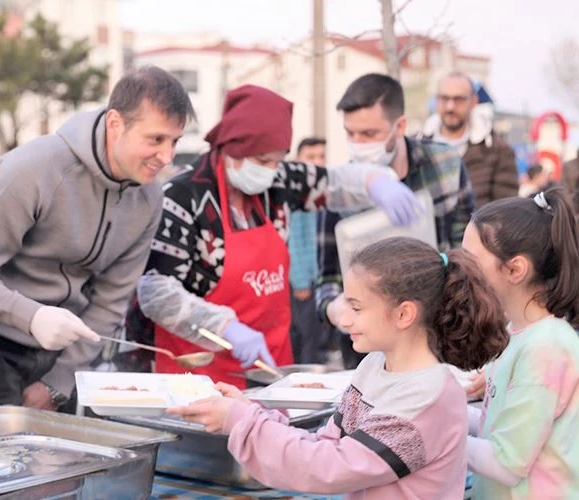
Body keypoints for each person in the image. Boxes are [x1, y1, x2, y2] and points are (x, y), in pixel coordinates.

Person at [168, 237, 508, 498]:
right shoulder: (375, 365)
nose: (344, 319)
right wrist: (250, 411)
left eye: (357, 308)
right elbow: (327, 442)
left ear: (404, 314)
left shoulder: (428, 398)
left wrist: (241, 421)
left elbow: (330, 466)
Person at [131, 84, 422, 388]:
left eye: (277, 160)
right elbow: (156, 294)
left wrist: (374, 181)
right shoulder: (181, 196)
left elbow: (335, 182)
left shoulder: (277, 182)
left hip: (270, 368)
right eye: (263, 161)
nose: (271, 170)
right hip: (199, 375)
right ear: (233, 148)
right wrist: (226, 327)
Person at [0, 66, 195, 412]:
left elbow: (111, 300)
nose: (167, 157)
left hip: (60, 352)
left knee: (58, 462)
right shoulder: (32, 169)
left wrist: (57, 382)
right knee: (2, 463)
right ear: (116, 124)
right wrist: (32, 316)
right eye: (156, 139)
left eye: (174, 141)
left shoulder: (149, 199)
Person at [316, 73, 476, 370]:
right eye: (350, 133)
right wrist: (334, 308)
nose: (357, 144)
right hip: (370, 354)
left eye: (369, 134)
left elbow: (468, 252)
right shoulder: (340, 188)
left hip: (439, 337)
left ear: (399, 126)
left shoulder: (446, 166)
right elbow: (325, 279)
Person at [460, 187, 579, 499]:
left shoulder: (546, 349)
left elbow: (507, 461)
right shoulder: (519, 331)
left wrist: (431, 436)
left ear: (515, 269)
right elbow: (495, 424)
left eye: (471, 262)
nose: (460, 272)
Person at [421, 73, 518, 207]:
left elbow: (506, 211)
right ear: (437, 100)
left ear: (473, 101)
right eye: (444, 98)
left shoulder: (498, 150)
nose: (450, 107)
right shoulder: (417, 146)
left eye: (458, 99)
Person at [289, 137, 329, 364]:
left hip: (320, 276)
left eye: (321, 156)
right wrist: (301, 280)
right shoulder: (297, 193)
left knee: (315, 337)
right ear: (298, 160)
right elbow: (295, 238)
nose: (317, 162)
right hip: (303, 281)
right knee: (306, 339)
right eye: (311, 156)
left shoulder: (321, 190)